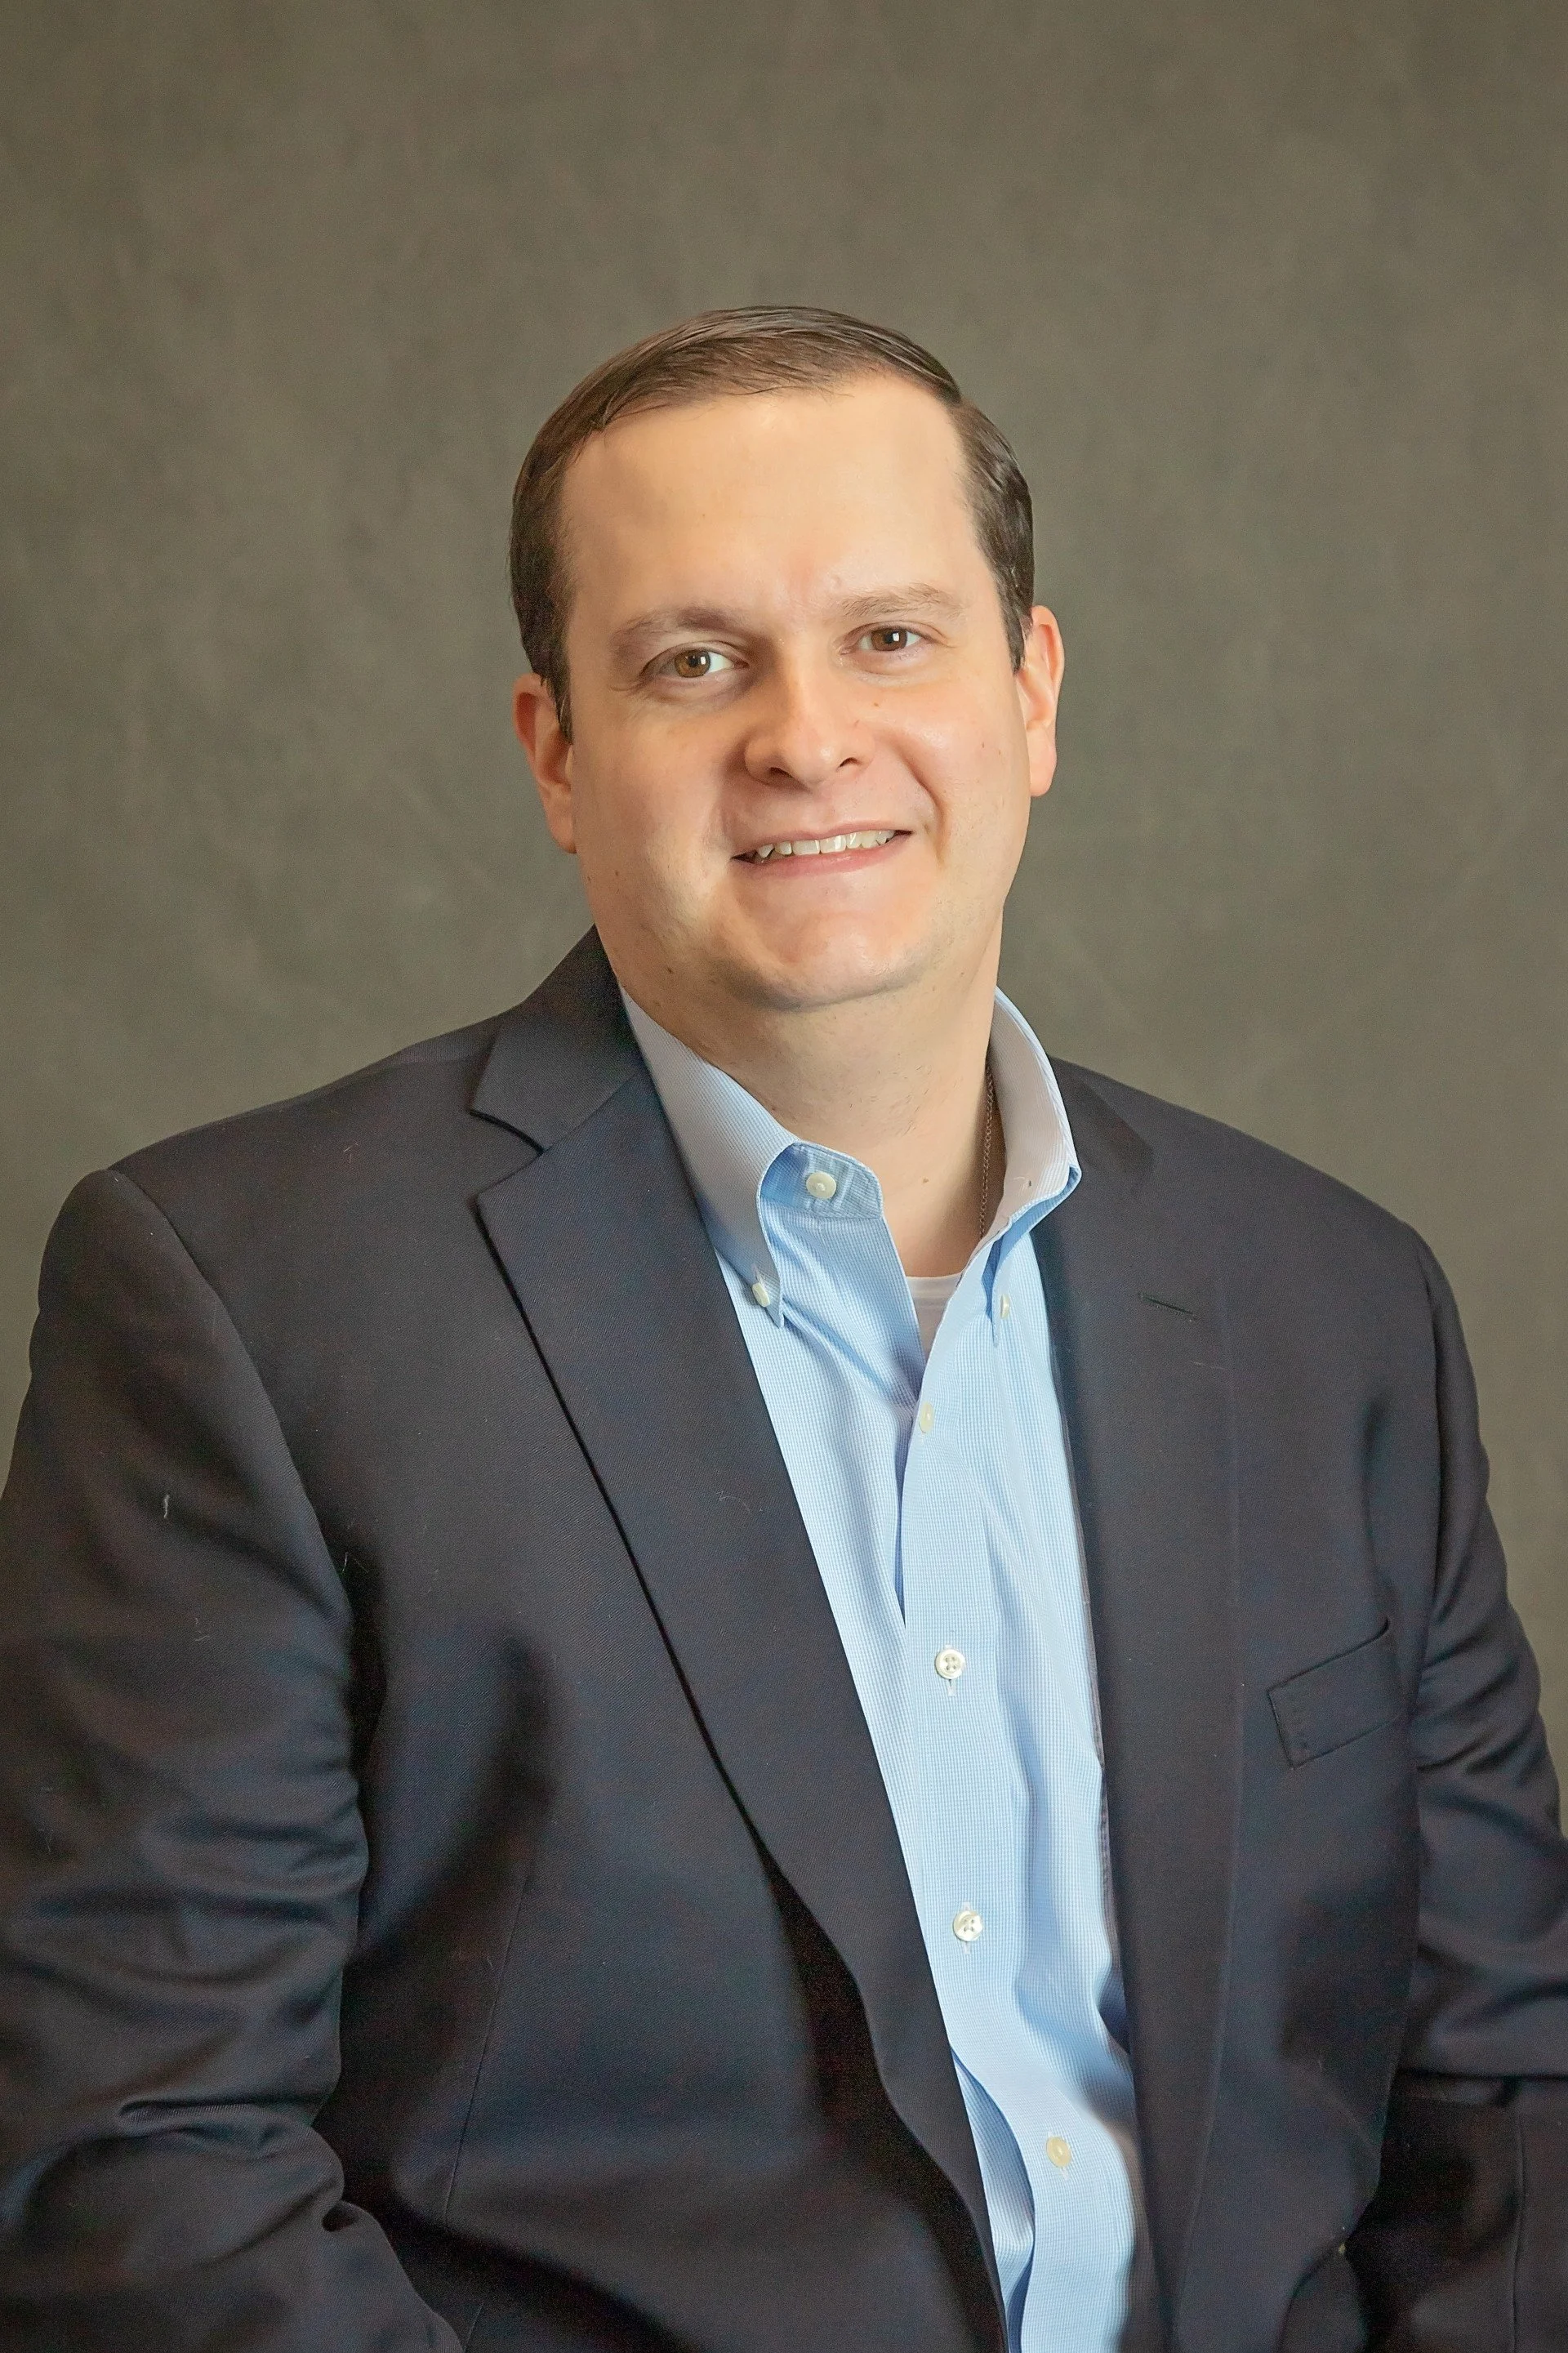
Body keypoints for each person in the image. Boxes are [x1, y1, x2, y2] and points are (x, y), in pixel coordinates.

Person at [0, 306, 1564, 2353]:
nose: (807, 737)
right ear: (559, 754)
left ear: (1034, 693)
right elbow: (141, 2161)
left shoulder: (1336, 1306)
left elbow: (1512, 2102)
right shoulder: (241, 1303)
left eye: (893, 640)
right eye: (695, 660)